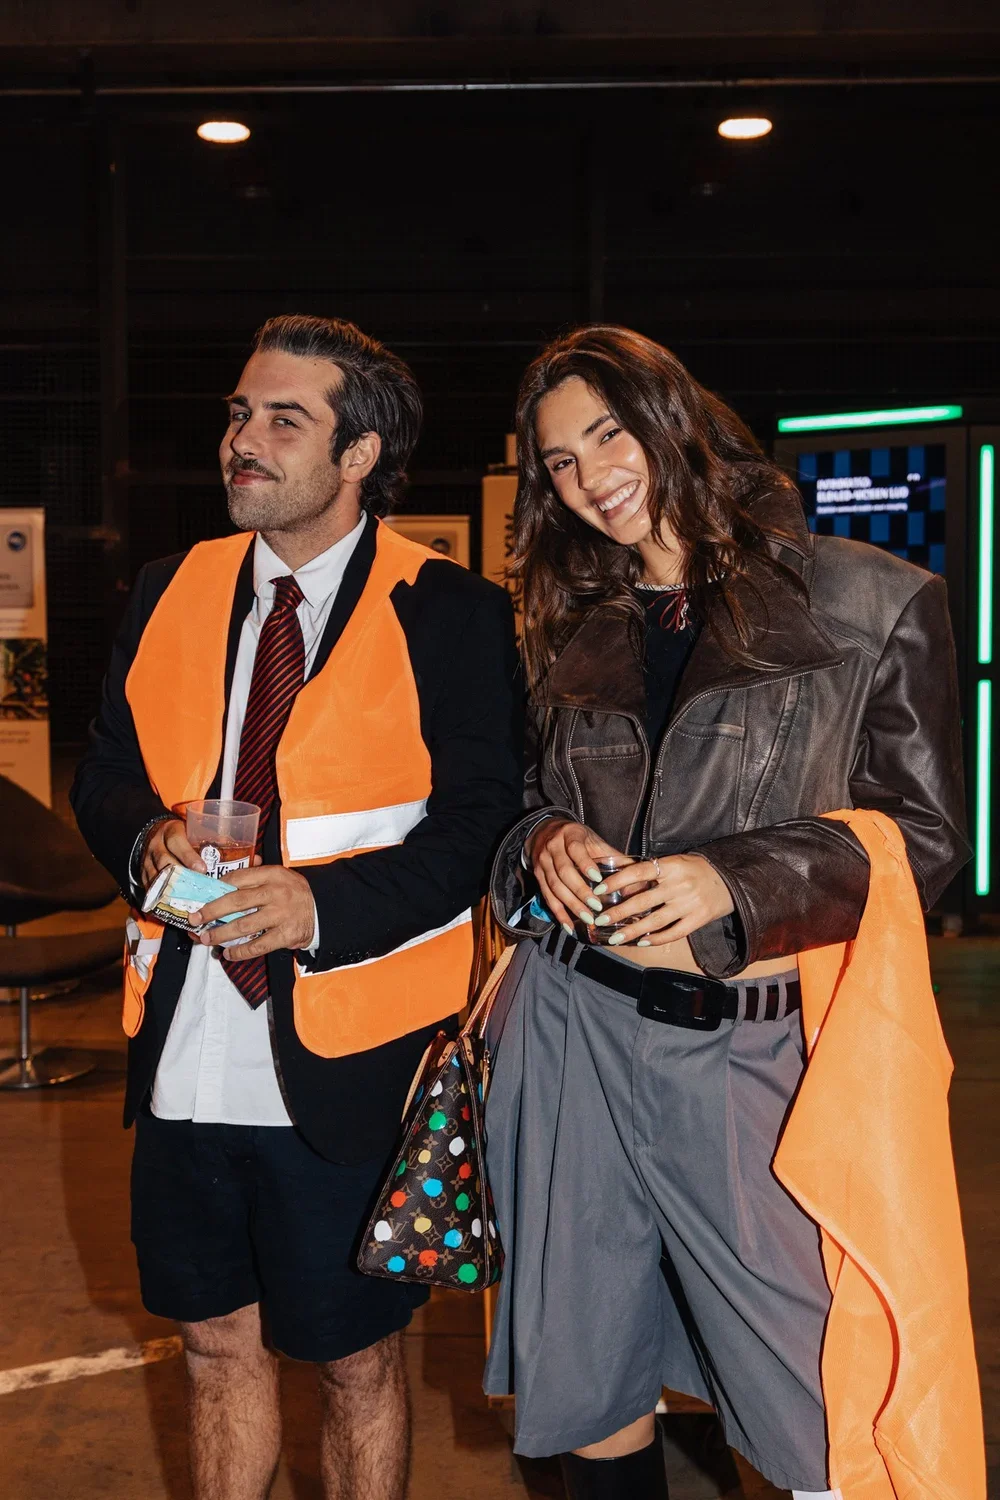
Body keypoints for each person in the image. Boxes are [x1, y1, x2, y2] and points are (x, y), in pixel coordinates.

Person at [482, 325, 969, 1499]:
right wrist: (540, 843)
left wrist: (732, 884)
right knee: (586, 1382)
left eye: (606, 430)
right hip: (572, 1042)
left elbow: (929, 841)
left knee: (817, 1402)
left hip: (754, 1055)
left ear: (676, 416)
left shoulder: (874, 602)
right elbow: (526, 808)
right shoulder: (574, 623)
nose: (589, 472)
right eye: (557, 460)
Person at [72, 314, 521, 1500]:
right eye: (237, 414)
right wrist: (147, 837)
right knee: (214, 1346)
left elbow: (479, 824)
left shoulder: (453, 611)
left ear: (361, 453)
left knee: (356, 1363)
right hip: (181, 1038)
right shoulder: (173, 585)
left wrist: (317, 910)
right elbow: (102, 771)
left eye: (284, 420)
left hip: (350, 1051)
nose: (244, 441)